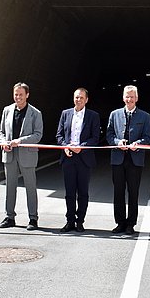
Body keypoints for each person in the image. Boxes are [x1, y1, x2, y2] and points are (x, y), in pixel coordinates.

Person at [106, 85, 150, 235]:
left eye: (132, 96)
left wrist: (138, 144)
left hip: (135, 159)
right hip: (118, 159)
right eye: (127, 96)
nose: (129, 99)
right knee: (118, 192)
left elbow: (147, 137)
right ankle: (120, 223)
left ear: (136, 98)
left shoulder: (144, 116)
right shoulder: (114, 114)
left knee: (133, 193)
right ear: (123, 97)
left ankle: (131, 223)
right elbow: (109, 135)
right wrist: (118, 142)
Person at [0, 82, 43, 231]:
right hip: (9, 154)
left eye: (21, 95)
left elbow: (38, 135)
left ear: (27, 95)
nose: (18, 97)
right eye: (16, 94)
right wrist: (4, 142)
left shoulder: (35, 113)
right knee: (10, 187)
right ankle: (9, 217)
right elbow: (1, 132)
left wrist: (20, 141)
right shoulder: (7, 110)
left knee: (30, 187)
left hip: (27, 155)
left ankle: (33, 218)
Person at [56, 87, 100, 233]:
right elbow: (59, 135)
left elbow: (95, 137)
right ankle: (70, 221)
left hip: (84, 159)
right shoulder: (65, 114)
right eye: (76, 97)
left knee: (83, 192)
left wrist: (82, 147)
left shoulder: (93, 116)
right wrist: (65, 146)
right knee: (69, 192)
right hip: (68, 158)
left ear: (86, 100)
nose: (78, 100)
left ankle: (80, 221)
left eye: (81, 98)